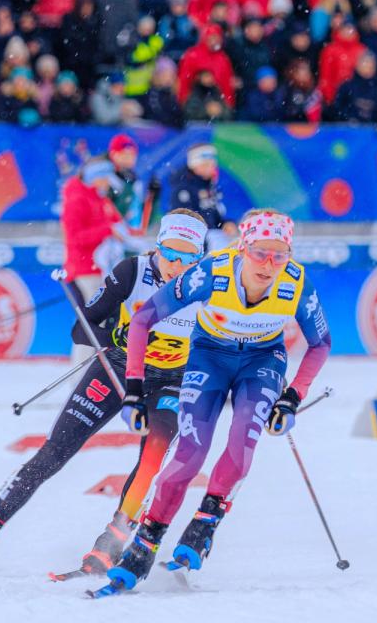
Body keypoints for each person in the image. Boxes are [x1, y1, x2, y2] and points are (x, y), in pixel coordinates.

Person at [0, 210, 207, 572]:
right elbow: (81, 330)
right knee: (53, 453)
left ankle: (111, 543)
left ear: (201, 257)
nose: (177, 265)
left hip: (171, 380)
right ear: (158, 247)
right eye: (170, 253)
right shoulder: (132, 272)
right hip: (116, 370)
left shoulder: (209, 285)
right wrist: (115, 336)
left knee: (152, 460)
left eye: (188, 257)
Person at [100, 209, 331, 592]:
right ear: (243, 248)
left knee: (243, 439)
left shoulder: (297, 283)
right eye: (259, 253)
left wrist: (293, 396)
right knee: (191, 451)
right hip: (209, 355)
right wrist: (135, 386)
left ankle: (205, 522)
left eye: (279, 255)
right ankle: (147, 539)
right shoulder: (210, 272)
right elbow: (142, 321)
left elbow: (320, 344)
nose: (269, 265)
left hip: (262, 361)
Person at [61, 156, 123, 368]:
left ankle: (90, 373)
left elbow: (117, 222)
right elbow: (74, 238)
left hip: (99, 269)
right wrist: (108, 231)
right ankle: (80, 377)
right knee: (91, 327)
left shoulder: (98, 197)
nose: (108, 184)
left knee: (98, 325)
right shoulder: (77, 198)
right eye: (105, 178)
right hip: (85, 271)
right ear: (96, 177)